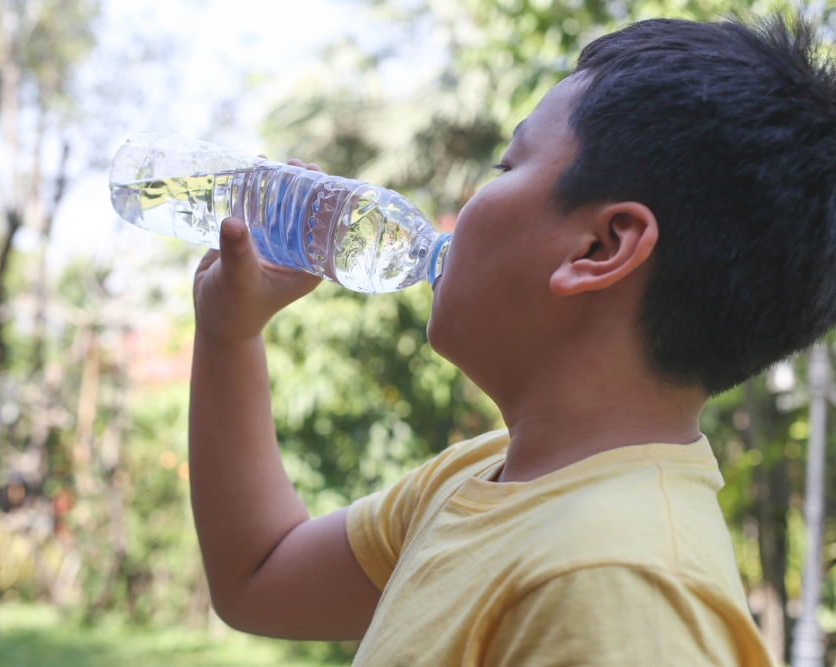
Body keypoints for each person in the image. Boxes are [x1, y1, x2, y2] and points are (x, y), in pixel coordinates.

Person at [187, 14, 836, 666]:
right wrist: (229, 332)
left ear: (598, 248)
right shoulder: (484, 475)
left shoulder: (619, 586)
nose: (465, 202)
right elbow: (259, 574)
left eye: (507, 164)